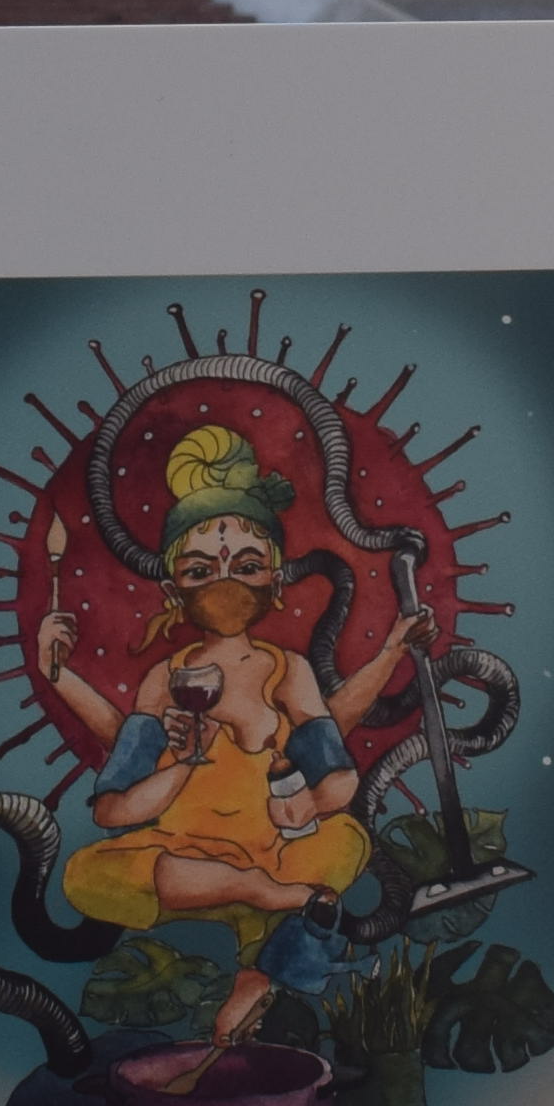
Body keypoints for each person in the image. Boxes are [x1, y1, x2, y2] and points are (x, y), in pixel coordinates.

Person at [41, 425, 416, 1051]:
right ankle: (259, 896)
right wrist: (179, 761)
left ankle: (255, 973)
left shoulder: (285, 670)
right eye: (200, 569)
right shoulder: (164, 680)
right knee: (87, 874)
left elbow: (338, 775)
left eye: (246, 566)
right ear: (173, 590)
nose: (225, 581)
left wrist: (309, 803)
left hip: (273, 847)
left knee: (341, 844)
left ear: (275, 582)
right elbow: (114, 809)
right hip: (187, 857)